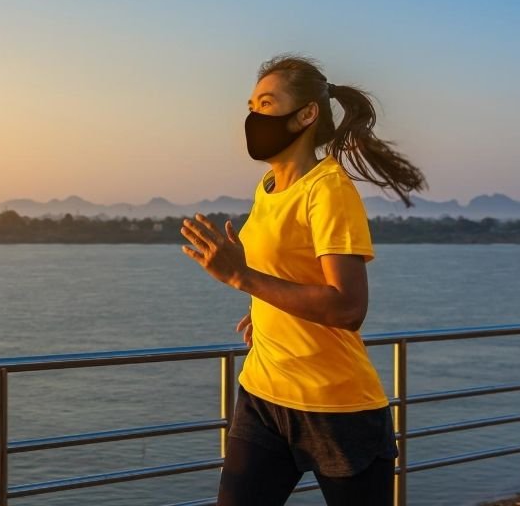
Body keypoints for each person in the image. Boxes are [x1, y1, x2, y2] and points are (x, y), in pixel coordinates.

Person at [179, 53, 427, 506]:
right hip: (263, 394)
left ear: (307, 114)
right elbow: (289, 274)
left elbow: (348, 307)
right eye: (251, 105)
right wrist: (268, 311)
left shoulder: (328, 189)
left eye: (267, 104)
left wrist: (243, 277)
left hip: (336, 407)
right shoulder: (269, 188)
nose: (253, 116)